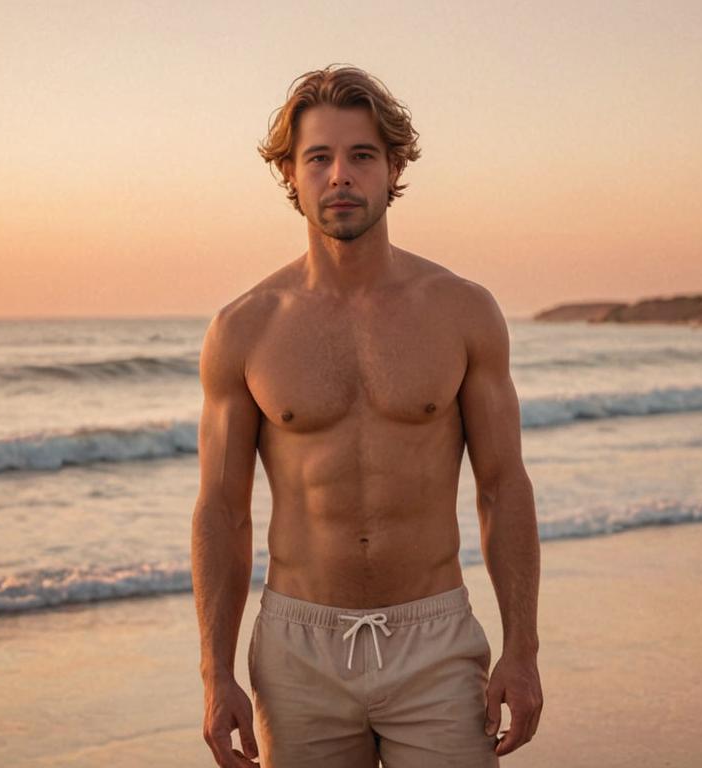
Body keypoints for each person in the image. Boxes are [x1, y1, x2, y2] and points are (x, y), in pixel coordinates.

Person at [191, 63, 542, 768]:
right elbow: (222, 510)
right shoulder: (245, 328)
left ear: (394, 166)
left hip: (435, 641)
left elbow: (503, 487)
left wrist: (523, 651)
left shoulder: (461, 311)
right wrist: (215, 673)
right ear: (290, 173)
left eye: (361, 156)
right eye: (318, 158)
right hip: (297, 653)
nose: (339, 176)